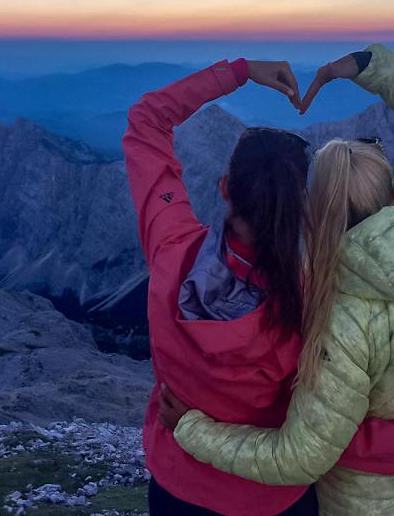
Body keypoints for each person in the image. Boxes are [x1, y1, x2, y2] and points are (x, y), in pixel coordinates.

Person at [159, 43, 394, 515]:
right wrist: (363, 67)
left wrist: (191, 428)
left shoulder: (338, 318)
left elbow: (299, 459)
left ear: (314, 218)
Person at [122, 57, 319, 515]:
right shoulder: (314, 298)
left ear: (225, 186)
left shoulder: (172, 251)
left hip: (179, 487)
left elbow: (146, 119)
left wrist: (241, 72)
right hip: (275, 497)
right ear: (300, 206)